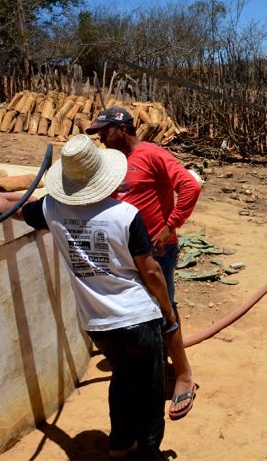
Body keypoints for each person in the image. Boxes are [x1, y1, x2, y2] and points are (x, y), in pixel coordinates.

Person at [0, 134, 174, 460]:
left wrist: (1, 203)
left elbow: (21, 212)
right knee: (150, 391)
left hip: (98, 324)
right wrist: (167, 311)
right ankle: (148, 452)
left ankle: (119, 446)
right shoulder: (126, 215)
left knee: (123, 379)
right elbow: (152, 272)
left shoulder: (53, 208)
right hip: (138, 317)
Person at [86, 107, 201, 421]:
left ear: (123, 129)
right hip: (126, 254)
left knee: (165, 309)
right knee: (141, 314)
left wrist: (170, 225)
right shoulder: (112, 163)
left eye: (104, 132)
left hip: (156, 251)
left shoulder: (152, 154)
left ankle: (183, 376)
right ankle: (153, 369)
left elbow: (191, 187)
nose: (100, 138)